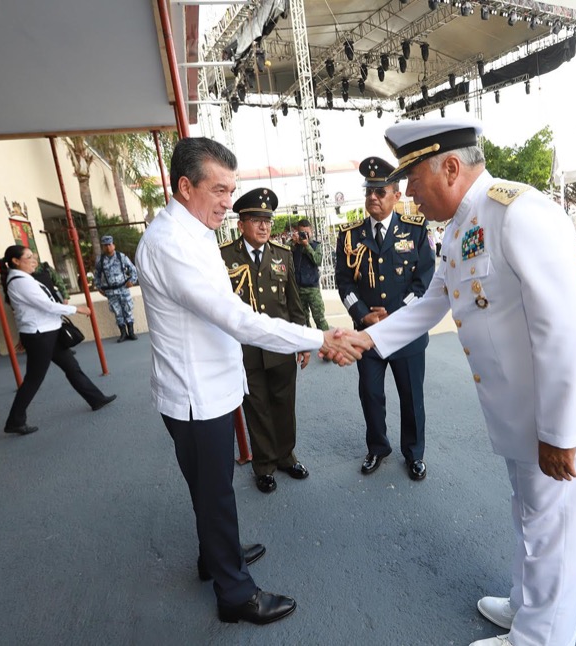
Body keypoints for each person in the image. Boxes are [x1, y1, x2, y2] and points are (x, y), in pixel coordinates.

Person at [350, 118, 576, 646]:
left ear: (450, 167)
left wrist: (561, 432)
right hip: (523, 418)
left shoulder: (519, 213)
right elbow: (433, 302)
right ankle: (526, 607)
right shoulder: (459, 225)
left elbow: (563, 328)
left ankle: (541, 639)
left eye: (412, 180)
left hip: (557, 419)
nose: (406, 194)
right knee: (530, 520)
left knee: (554, 539)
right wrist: (366, 341)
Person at [135, 137, 363, 626]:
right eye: (218, 190)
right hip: (196, 396)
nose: (226, 201)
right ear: (184, 186)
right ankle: (235, 593)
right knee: (214, 491)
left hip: (210, 387)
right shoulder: (171, 244)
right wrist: (319, 336)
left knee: (209, 487)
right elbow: (237, 318)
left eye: (230, 190)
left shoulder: (192, 231)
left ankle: (214, 556)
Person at [334, 156, 435, 480]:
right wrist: (363, 315)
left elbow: (423, 282)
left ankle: (414, 453)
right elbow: (344, 283)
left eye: (380, 192)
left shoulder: (416, 232)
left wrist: (391, 315)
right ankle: (377, 447)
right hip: (368, 335)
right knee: (371, 394)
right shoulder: (349, 236)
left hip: (405, 333)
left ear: (396, 195)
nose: (372, 199)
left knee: (411, 397)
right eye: (368, 193)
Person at [220, 188, 312, 494]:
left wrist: (301, 341)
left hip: (280, 348)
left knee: (284, 405)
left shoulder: (282, 255)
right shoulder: (223, 257)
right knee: (257, 409)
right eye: (256, 220)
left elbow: (294, 304)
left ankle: (286, 456)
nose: (264, 227)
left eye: (267, 221)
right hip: (244, 352)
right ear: (241, 224)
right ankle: (264, 465)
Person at [1, 245, 116, 435]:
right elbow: (45, 305)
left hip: (47, 332)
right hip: (40, 334)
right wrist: (76, 309)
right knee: (33, 379)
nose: (34, 260)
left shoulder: (22, 279)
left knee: (72, 367)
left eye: (34, 257)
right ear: (15, 261)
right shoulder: (20, 281)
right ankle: (15, 420)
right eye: (29, 257)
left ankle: (96, 398)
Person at [94, 234, 139, 342]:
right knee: (117, 312)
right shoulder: (100, 260)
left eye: (109, 244)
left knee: (128, 310)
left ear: (113, 245)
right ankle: (123, 333)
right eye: (105, 245)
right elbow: (97, 275)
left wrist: (132, 281)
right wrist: (99, 287)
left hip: (123, 288)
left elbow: (133, 269)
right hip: (110, 291)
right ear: (103, 247)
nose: (107, 247)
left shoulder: (121, 257)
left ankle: (131, 332)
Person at [289, 218, 330, 331]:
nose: (305, 235)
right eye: (302, 233)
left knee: (319, 319)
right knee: (302, 320)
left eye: (307, 233)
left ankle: (327, 342)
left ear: (311, 232)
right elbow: (284, 255)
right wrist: (293, 242)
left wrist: (307, 245)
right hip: (298, 288)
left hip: (312, 288)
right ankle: (308, 345)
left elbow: (317, 260)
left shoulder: (315, 245)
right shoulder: (293, 245)